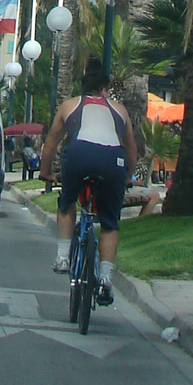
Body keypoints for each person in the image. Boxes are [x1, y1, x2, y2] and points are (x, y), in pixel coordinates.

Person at [40, 56, 137, 306]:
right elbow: (131, 150)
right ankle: (105, 280)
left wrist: (46, 172)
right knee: (109, 222)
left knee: (67, 202)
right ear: (104, 90)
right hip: (112, 160)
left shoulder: (70, 105)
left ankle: (63, 257)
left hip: (79, 154)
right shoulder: (119, 109)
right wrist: (126, 177)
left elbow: (51, 143)